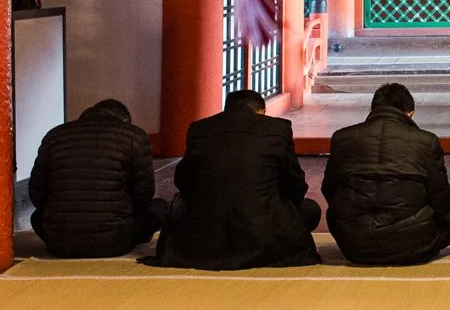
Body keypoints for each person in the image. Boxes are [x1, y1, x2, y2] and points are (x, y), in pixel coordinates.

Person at [154, 88, 321, 269]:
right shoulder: (277, 129)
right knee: (310, 209)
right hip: (264, 235)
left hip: (205, 236)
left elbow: (183, 181)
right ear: (262, 111)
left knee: (174, 207)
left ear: (227, 109)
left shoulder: (199, 129)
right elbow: (294, 184)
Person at [323, 82, 450, 265]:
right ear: (410, 113)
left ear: (372, 109)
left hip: (354, 244)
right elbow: (443, 203)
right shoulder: (426, 141)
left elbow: (329, 190)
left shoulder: (342, 138)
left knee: (332, 214)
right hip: (412, 244)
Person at [28, 98, 165, 258]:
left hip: (59, 242)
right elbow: (144, 193)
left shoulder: (54, 136)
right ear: (124, 121)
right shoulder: (135, 137)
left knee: (36, 217)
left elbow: (37, 191)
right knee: (160, 207)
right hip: (115, 240)